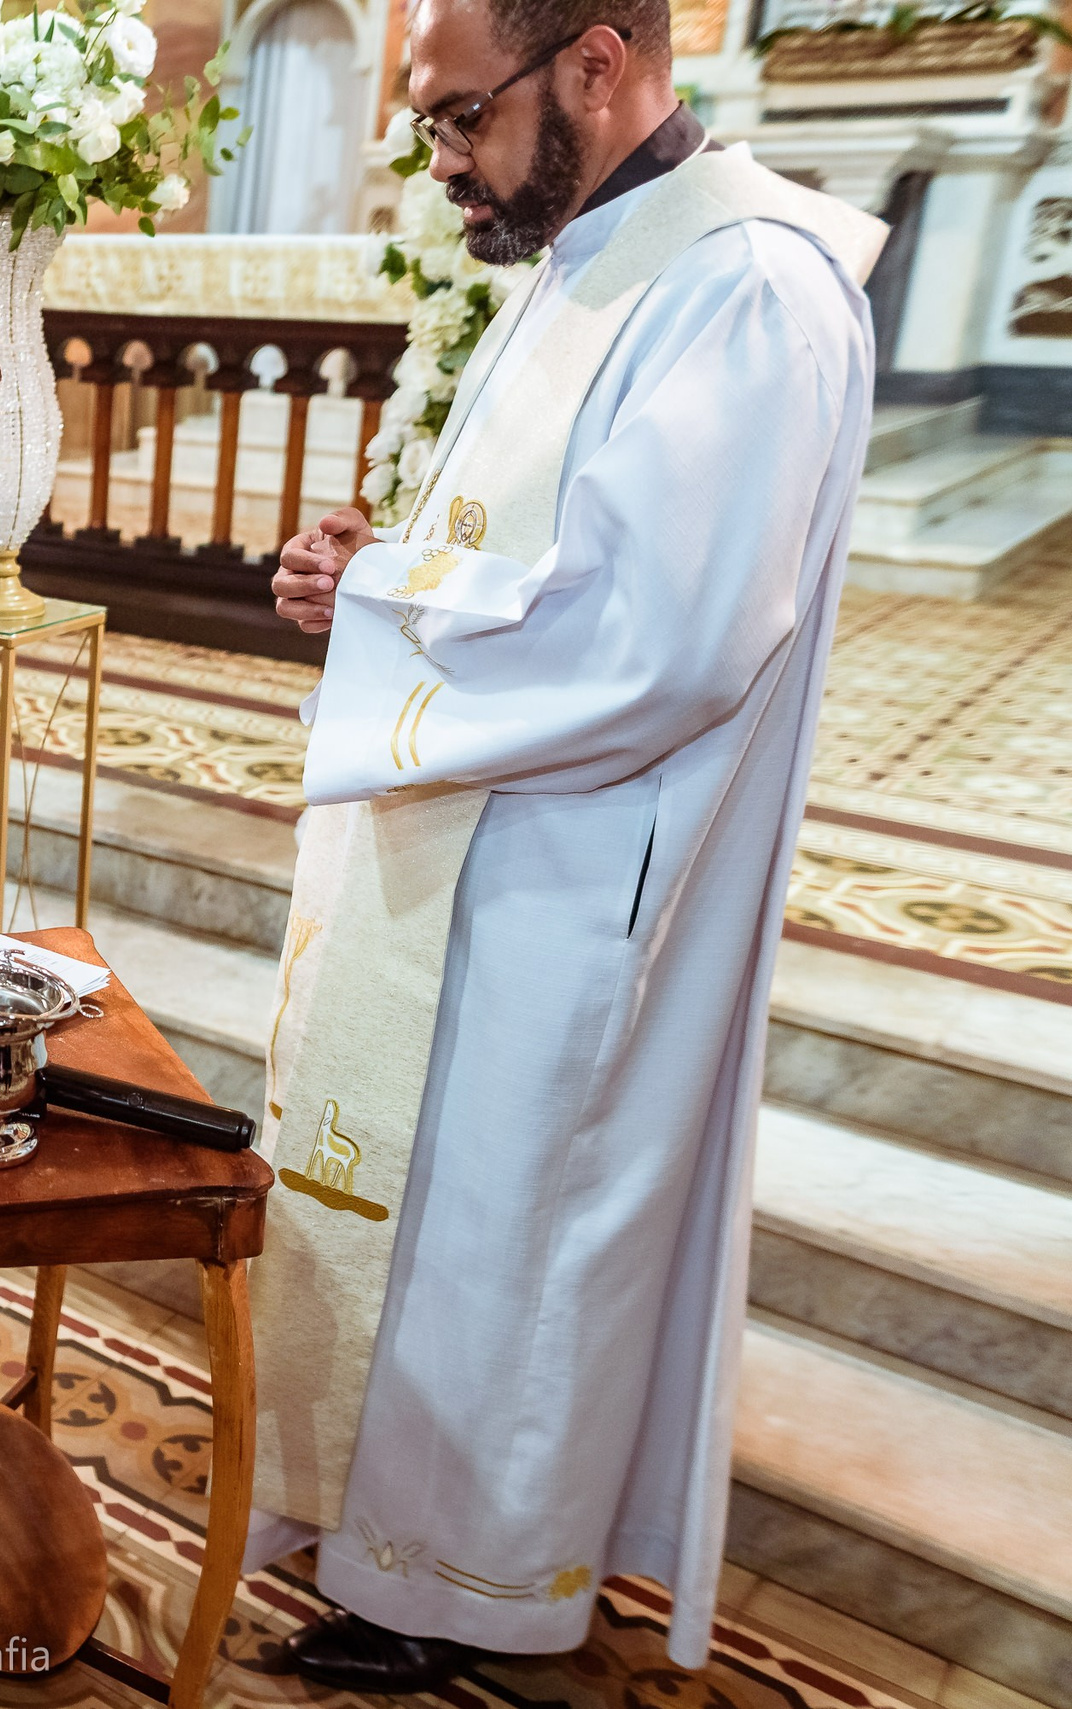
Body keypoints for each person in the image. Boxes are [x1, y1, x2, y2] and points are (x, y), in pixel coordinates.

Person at [250, 0, 883, 1693]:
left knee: (517, 1235)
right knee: (455, 1219)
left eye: (461, 118)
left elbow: (669, 635)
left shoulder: (746, 285)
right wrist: (375, 561)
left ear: (594, 65)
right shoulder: (600, 252)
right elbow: (540, 546)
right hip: (501, 834)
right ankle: (404, 1548)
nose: (445, 159)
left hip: (588, 868)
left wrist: (389, 607)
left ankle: (477, 1585)